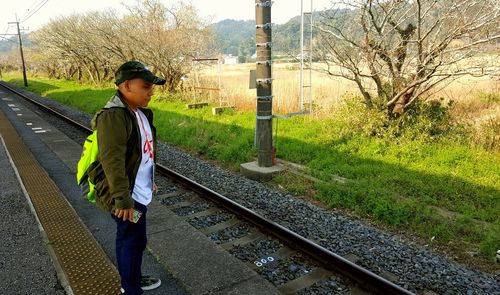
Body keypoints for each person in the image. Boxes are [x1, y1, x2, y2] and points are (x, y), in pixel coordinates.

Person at [88, 61, 165, 294]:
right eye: (146, 87)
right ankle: (130, 288)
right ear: (127, 85)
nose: (151, 92)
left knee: (136, 239)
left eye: (152, 87)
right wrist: (122, 199)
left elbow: (142, 153)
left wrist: (149, 180)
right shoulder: (113, 117)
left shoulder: (138, 112)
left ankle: (133, 278)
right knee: (131, 240)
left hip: (137, 190)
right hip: (125, 195)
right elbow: (113, 162)